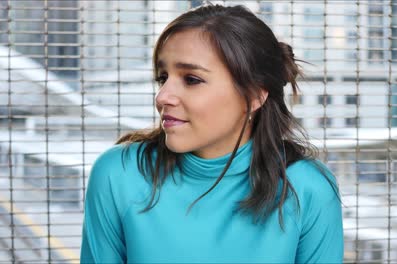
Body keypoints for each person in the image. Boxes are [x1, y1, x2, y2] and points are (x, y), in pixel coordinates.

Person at [80, 4, 343, 264]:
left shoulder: (308, 189)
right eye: (163, 77)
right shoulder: (119, 175)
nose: (162, 97)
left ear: (254, 95)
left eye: (191, 79)